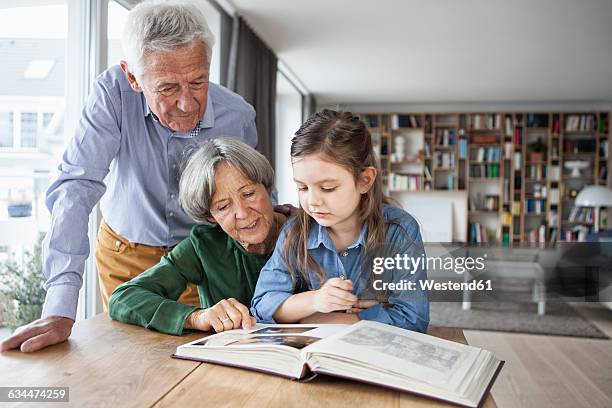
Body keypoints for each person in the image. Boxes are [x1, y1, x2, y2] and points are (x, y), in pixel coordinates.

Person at [1, 0, 259, 353]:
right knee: (131, 360)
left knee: (203, 360)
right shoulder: (113, 95)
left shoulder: (238, 116)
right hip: (125, 254)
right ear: (133, 77)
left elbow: (250, 198)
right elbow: (77, 185)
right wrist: (60, 306)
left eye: (198, 82)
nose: (187, 104)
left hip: (201, 257)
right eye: (168, 88)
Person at [251, 109, 429, 332]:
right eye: (302, 187)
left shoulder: (400, 231)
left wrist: (311, 318)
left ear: (365, 180)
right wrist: (315, 301)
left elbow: (414, 320)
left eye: (327, 188)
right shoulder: (294, 233)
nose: (313, 201)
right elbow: (261, 305)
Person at [109, 138, 286, 335]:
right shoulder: (204, 246)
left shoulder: (308, 231)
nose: (243, 213)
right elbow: (123, 297)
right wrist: (197, 317)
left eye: (249, 194)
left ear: (267, 187)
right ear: (210, 216)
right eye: (223, 206)